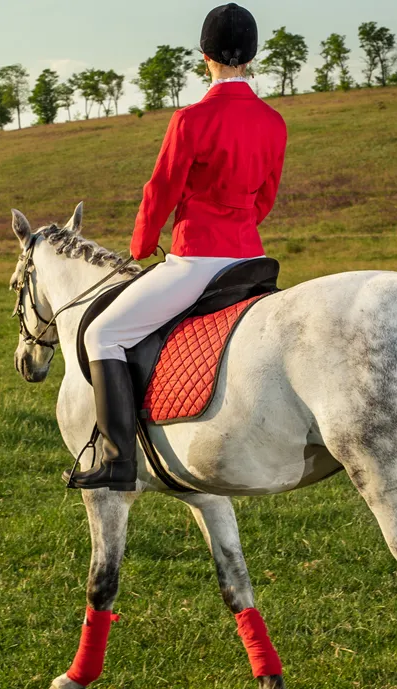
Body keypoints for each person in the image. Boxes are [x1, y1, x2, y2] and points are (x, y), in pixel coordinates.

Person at [68, 3, 289, 491]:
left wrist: (143, 243)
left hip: (197, 260)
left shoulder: (191, 119)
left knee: (102, 335)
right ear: (251, 56)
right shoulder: (274, 122)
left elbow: (161, 189)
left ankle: (118, 462)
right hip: (251, 261)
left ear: (204, 55)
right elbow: (266, 197)